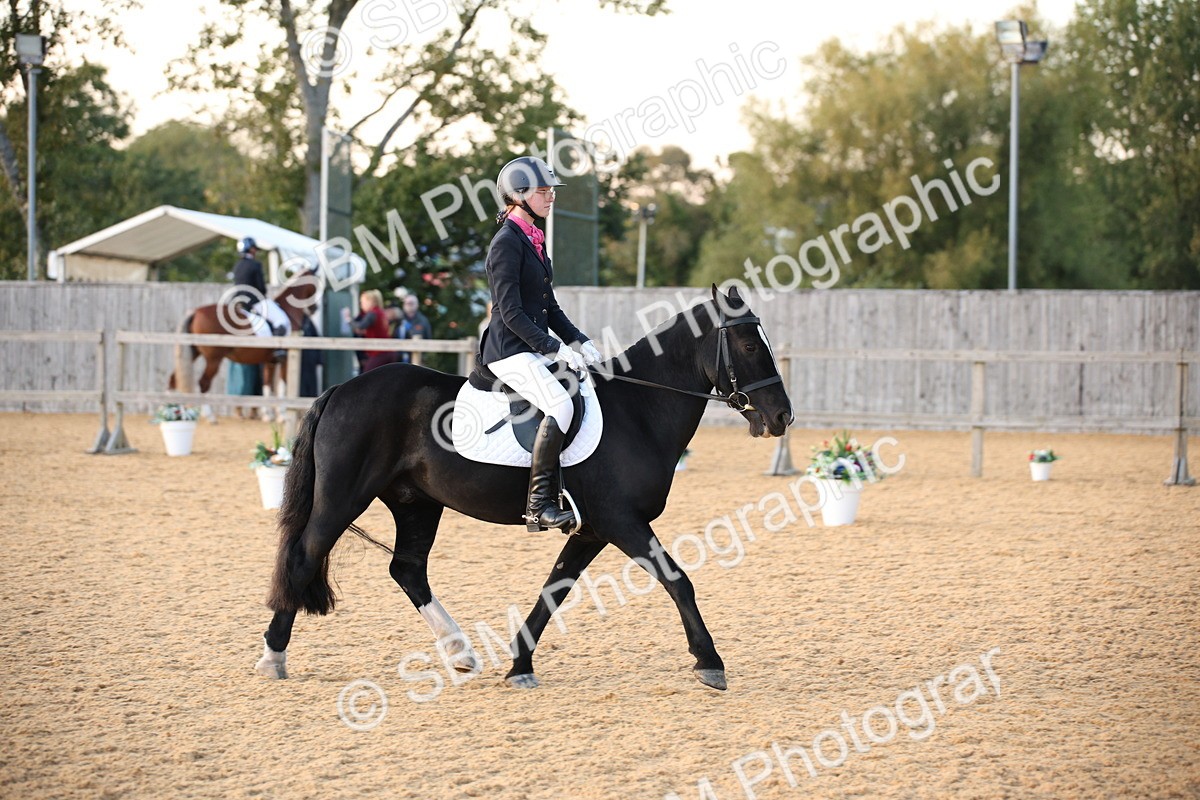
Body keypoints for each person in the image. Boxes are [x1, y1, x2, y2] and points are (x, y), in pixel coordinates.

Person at [481, 156, 602, 534]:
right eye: (543, 191)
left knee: (585, 388)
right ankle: (539, 505)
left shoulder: (532, 238)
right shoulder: (506, 243)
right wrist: (554, 349)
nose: (551, 197)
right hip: (508, 350)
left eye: (551, 191)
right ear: (519, 195)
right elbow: (512, 313)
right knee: (560, 405)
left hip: (530, 346)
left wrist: (579, 341)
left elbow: (548, 306)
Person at [230, 237, 287, 360]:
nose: (255, 251)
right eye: (254, 248)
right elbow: (261, 287)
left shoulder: (237, 266)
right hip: (255, 301)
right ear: (251, 249)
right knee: (281, 320)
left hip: (238, 300)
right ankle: (278, 349)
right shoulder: (255, 265)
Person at [342, 289, 393, 372]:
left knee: (367, 374)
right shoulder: (380, 312)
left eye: (363, 302)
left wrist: (349, 320)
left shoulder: (372, 313)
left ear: (370, 301)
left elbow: (361, 326)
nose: (361, 305)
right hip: (386, 351)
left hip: (379, 352)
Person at [395, 293, 434, 364]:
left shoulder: (423, 320)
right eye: (407, 303)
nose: (409, 305)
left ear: (417, 305)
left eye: (411, 303)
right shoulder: (398, 319)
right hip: (396, 358)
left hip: (416, 358)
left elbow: (428, 339)